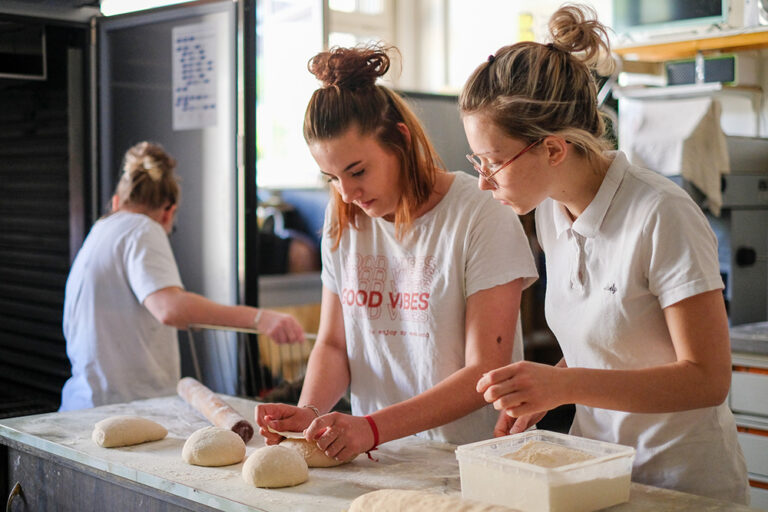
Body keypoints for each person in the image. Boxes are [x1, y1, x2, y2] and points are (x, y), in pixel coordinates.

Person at [460, 4, 749, 504]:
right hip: (597, 473)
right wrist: (547, 387)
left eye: (493, 162)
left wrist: (561, 387)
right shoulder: (551, 209)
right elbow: (616, 339)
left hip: (683, 486)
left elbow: (707, 380)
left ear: (553, 150)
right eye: (476, 161)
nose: (484, 182)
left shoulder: (661, 213)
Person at [255, 45, 538, 461]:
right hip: (377, 457)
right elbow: (335, 345)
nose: (347, 193)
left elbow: (485, 372)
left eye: (358, 171)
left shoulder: (479, 214)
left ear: (400, 142)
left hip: (470, 457)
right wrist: (309, 411)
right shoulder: (344, 222)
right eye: (331, 177)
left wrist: (372, 428)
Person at [60, 141, 305, 411]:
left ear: (117, 202)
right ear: (168, 212)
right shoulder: (142, 229)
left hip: (84, 404)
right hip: (125, 409)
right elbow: (170, 309)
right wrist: (260, 318)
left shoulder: (102, 230)